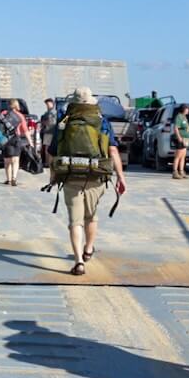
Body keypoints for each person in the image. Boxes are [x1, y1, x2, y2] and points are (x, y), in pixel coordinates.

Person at [50, 87, 126, 276]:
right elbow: (113, 151)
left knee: (75, 221)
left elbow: (53, 151)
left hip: (70, 174)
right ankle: (89, 249)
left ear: (74, 103)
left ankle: (78, 262)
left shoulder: (64, 122)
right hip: (95, 174)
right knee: (91, 216)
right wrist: (121, 177)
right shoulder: (101, 121)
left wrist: (52, 176)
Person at [1, 99, 34, 186]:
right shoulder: (20, 116)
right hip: (16, 138)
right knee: (15, 160)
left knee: (7, 160)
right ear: (16, 105)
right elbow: (25, 130)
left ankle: (8, 179)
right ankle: (14, 178)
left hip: (5, 139)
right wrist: (30, 142)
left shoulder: (4, 113)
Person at [171, 104, 189, 179]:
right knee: (178, 156)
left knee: (183, 156)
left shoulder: (184, 117)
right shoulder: (179, 117)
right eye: (187, 108)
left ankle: (181, 171)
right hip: (181, 138)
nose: (188, 110)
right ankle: (175, 171)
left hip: (185, 138)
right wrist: (179, 137)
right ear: (183, 109)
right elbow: (176, 128)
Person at [39, 97, 57, 168]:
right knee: (47, 148)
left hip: (51, 132)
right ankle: (47, 162)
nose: (47, 105)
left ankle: (48, 162)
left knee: (48, 148)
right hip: (48, 132)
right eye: (46, 104)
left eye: (48, 104)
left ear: (52, 104)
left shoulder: (53, 113)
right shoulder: (47, 113)